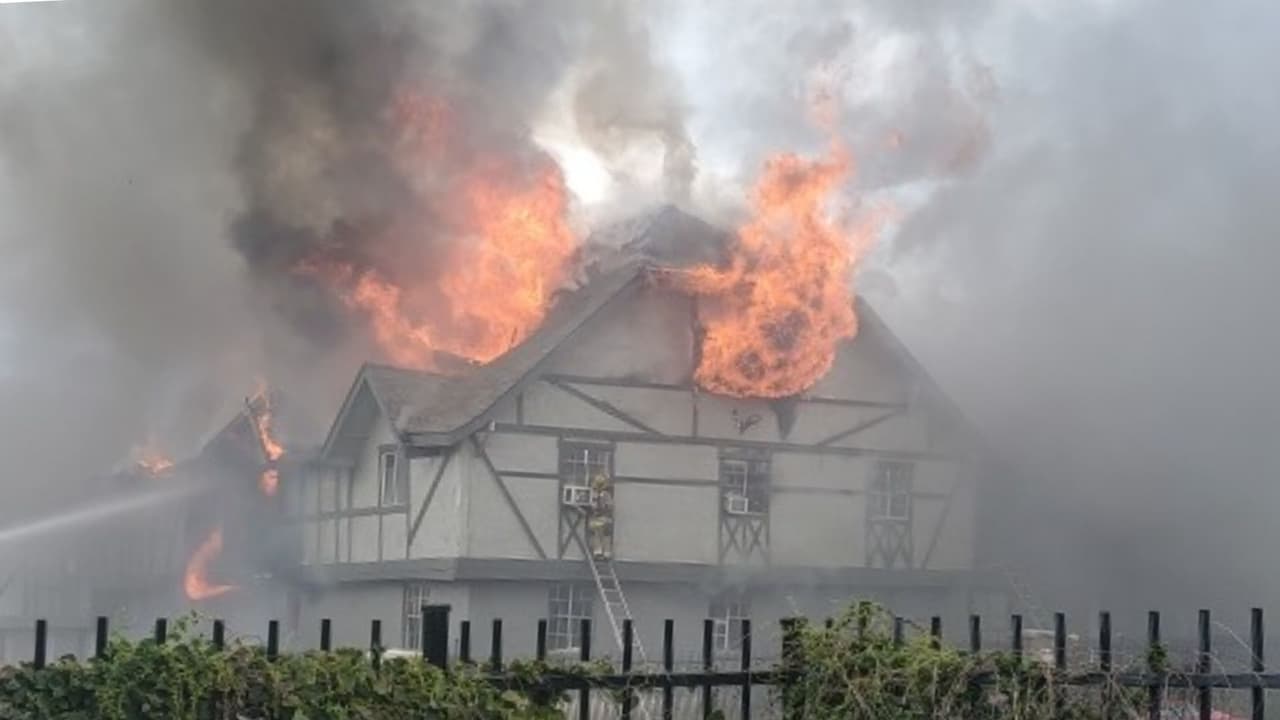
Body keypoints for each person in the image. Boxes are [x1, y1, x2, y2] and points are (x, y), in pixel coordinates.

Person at [587, 472, 613, 559]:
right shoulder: (606, 495)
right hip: (605, 518)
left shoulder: (600, 495)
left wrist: (597, 506)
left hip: (600, 517)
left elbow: (594, 506)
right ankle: (605, 552)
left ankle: (599, 551)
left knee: (598, 534)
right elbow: (610, 506)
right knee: (605, 535)